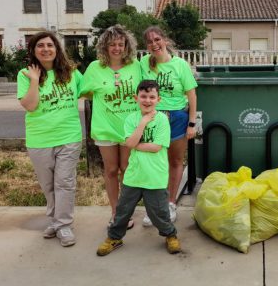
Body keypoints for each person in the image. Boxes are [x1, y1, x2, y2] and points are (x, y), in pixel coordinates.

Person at [96, 80, 181, 256]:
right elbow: (128, 143)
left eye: (152, 97)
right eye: (143, 96)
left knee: (159, 212)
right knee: (122, 211)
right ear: (136, 98)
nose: (147, 100)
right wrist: (142, 123)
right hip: (133, 176)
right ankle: (114, 237)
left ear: (159, 99)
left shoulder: (163, 120)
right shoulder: (131, 119)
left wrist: (135, 144)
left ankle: (170, 235)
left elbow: (156, 147)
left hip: (155, 176)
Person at [17, 31, 82, 247]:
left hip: (69, 137)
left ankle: (63, 225)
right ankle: (55, 221)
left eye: (50, 45)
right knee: (48, 186)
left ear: (57, 49)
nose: (46, 49)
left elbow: (91, 91)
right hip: (39, 139)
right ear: (33, 50)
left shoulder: (71, 73)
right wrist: (35, 81)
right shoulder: (24, 75)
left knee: (64, 182)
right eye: (40, 46)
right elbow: (30, 105)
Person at [82, 25, 142, 229]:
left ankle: (126, 212)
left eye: (120, 44)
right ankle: (116, 212)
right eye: (112, 45)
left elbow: (146, 90)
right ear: (104, 47)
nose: (117, 48)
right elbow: (85, 92)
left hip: (129, 129)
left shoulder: (136, 66)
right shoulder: (94, 68)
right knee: (111, 170)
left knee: (127, 169)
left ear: (127, 46)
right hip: (105, 127)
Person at [140, 26, 197, 225]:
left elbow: (191, 95)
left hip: (177, 118)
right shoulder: (144, 63)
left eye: (157, 39)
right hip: (153, 118)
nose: (154, 44)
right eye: (149, 42)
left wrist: (191, 123)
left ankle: (171, 204)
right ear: (146, 46)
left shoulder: (180, 65)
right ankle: (155, 207)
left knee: (175, 161)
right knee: (154, 163)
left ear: (164, 40)